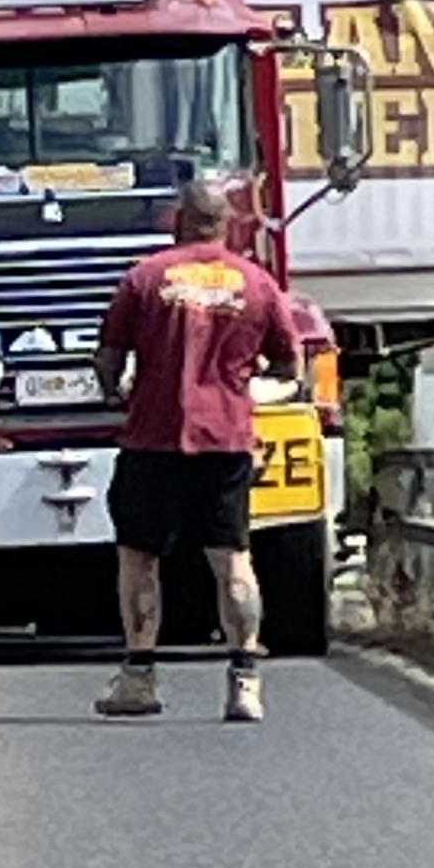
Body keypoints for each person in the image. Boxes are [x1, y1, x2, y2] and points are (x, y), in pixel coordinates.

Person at [90, 178, 302, 722]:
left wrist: (117, 395)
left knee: (139, 558)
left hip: (153, 440)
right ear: (227, 224)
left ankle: (139, 679)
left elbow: (109, 359)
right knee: (233, 561)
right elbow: (290, 367)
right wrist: (245, 395)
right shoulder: (257, 284)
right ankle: (245, 683)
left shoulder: (144, 278)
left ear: (178, 221)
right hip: (226, 441)